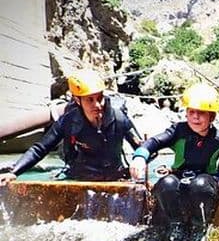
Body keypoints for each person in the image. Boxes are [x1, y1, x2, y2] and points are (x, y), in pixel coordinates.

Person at [129, 83, 219, 241]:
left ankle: (199, 227)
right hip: (180, 174)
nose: (195, 117)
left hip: (205, 179)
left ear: (212, 117)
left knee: (199, 185)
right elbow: (154, 142)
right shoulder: (178, 131)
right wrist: (140, 157)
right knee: (166, 183)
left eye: (201, 113)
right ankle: (176, 223)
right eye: (191, 112)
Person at [0, 69, 141, 185]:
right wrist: (14, 172)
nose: (97, 105)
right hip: (81, 176)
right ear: (77, 100)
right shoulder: (68, 121)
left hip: (114, 176)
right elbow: (40, 149)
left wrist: (139, 160)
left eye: (99, 98)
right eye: (89, 100)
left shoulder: (119, 118)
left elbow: (144, 148)